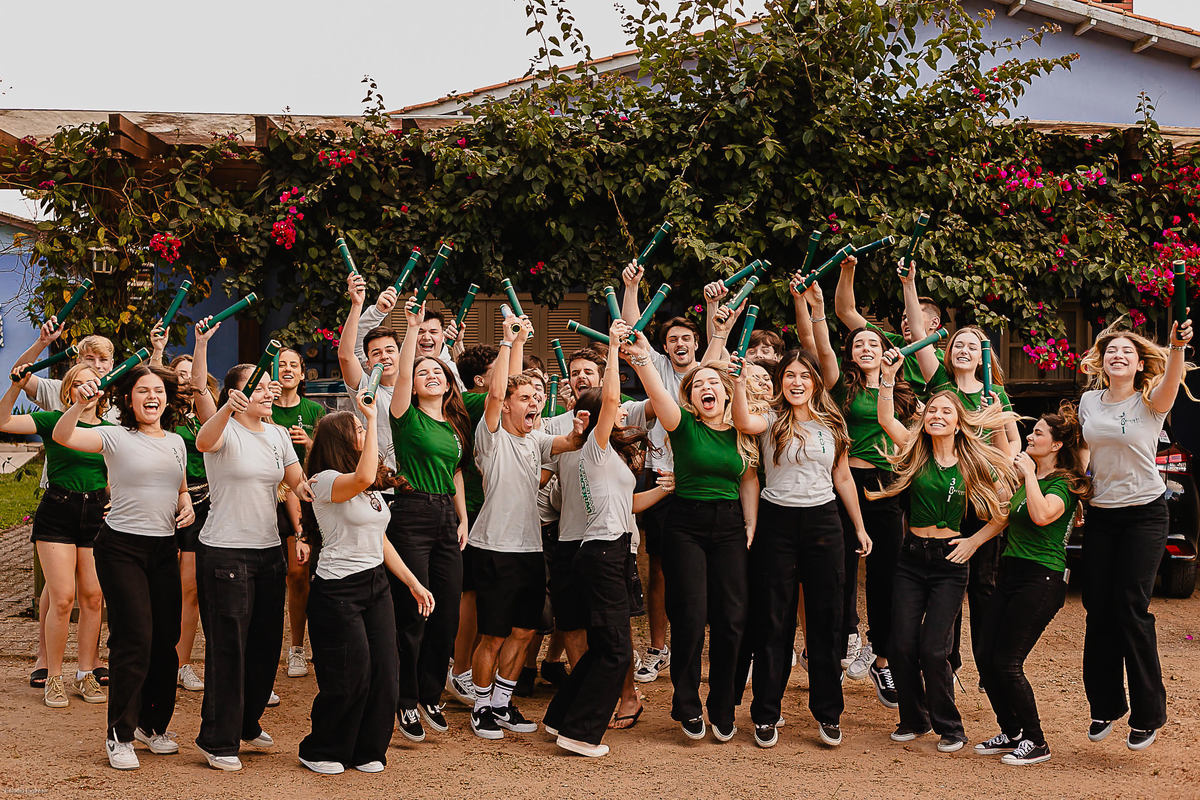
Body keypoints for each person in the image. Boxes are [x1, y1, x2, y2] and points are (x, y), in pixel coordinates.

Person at [871, 349, 1016, 754]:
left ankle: (950, 727)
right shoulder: (914, 452)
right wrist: (887, 376)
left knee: (935, 649)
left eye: (945, 412)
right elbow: (886, 418)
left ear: (958, 422)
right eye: (931, 409)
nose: (936, 415)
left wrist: (974, 541)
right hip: (911, 559)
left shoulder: (974, 460)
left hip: (950, 564)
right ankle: (913, 719)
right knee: (900, 644)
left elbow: (1003, 512)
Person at [731, 342, 873, 749]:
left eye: (804, 376)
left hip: (825, 522)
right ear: (781, 382)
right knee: (773, 621)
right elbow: (742, 419)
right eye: (789, 375)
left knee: (826, 623)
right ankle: (765, 714)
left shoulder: (832, 423)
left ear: (815, 383)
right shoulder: (770, 418)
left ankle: (828, 714)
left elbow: (843, 478)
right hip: (778, 522)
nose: (796, 382)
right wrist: (741, 381)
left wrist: (859, 528)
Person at [52, 364, 193, 770]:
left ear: (167, 398)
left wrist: (184, 503)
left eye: (159, 391)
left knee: (167, 639)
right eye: (143, 390)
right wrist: (79, 405)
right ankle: (120, 734)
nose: (153, 397)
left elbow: (179, 487)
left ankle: (153, 726)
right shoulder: (114, 436)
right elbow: (63, 436)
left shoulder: (176, 442)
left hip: (164, 549)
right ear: (128, 399)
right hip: (121, 549)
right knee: (134, 637)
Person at [542, 320, 670, 757]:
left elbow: (628, 506)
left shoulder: (600, 456)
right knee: (615, 650)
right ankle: (579, 733)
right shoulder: (595, 447)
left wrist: (666, 489)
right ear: (599, 416)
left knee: (602, 648)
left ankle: (560, 717)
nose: (621, 412)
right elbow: (612, 396)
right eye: (613, 410)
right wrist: (614, 348)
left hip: (598, 550)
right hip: (602, 553)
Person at [625, 328, 755, 743]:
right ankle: (686, 701)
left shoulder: (741, 429)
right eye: (698, 384)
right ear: (690, 396)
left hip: (731, 524)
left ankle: (722, 704)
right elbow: (655, 390)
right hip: (687, 524)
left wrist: (750, 523)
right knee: (692, 616)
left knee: (732, 618)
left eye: (713, 382)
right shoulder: (681, 424)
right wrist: (642, 356)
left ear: (727, 391)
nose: (706, 387)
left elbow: (749, 478)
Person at [297, 396, 434, 775]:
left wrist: (412, 583)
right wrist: (373, 419)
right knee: (350, 675)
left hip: (376, 584)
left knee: (386, 674)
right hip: (339, 590)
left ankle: (366, 749)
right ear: (339, 440)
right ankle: (321, 749)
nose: (363, 431)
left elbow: (381, 539)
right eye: (356, 429)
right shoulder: (325, 481)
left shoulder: (370, 490)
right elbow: (361, 476)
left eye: (363, 427)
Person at [466, 312, 586, 740]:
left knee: (525, 629)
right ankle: (481, 706)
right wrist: (508, 342)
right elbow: (497, 391)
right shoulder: (491, 432)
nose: (534, 402)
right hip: (493, 548)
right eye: (526, 396)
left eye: (538, 395)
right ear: (508, 404)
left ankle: (501, 703)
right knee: (493, 635)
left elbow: (568, 443)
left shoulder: (535, 439)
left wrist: (579, 428)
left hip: (531, 550)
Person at [1077, 317, 1194, 751]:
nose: (1118, 355)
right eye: (1111, 351)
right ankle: (1105, 705)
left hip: (1145, 513)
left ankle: (1148, 713)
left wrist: (1177, 346)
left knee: (1131, 605)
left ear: (1138, 361)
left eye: (1127, 350)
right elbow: (1087, 448)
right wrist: (1083, 482)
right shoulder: (1090, 401)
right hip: (1102, 515)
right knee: (1097, 608)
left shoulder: (1152, 400)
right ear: (1102, 362)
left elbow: (1173, 374)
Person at [193, 363, 314, 771]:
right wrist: (225, 409)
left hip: (267, 551)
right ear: (236, 393)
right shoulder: (224, 429)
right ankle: (217, 739)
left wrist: (326, 491)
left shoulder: (279, 434)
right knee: (229, 648)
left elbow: (297, 483)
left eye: (270, 386)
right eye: (258, 386)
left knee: (265, 646)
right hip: (225, 551)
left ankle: (246, 722)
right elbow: (203, 440)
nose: (269, 391)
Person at [974, 404, 1090, 766]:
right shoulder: (1033, 480)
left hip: (1042, 578)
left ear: (1056, 445)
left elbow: (1042, 517)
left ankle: (1037, 742)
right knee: (985, 658)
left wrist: (1027, 475)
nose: (1030, 437)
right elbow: (1007, 515)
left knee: (1008, 662)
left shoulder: (1063, 484)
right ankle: (1011, 732)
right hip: (1010, 573)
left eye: (1038, 433)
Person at [815, 314, 918, 706]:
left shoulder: (903, 393)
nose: (866, 349)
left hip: (886, 485)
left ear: (885, 350)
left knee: (886, 572)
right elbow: (821, 343)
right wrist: (817, 306)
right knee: (838, 566)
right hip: (846, 482)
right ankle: (843, 643)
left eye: (872, 343)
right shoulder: (842, 386)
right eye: (858, 344)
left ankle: (882, 656)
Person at [12, 326, 116, 691]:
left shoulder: (113, 414)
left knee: (93, 594)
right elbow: (20, 379)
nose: (96, 367)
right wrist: (40, 345)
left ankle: (87, 669)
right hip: (58, 500)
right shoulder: (55, 406)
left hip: (97, 507)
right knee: (59, 594)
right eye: (89, 360)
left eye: (103, 361)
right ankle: (48, 664)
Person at [917, 321, 1020, 686]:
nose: (964, 350)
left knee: (984, 584)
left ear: (983, 357)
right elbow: (918, 332)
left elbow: (1013, 447)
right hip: (946, 496)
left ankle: (988, 665)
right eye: (958, 344)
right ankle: (948, 665)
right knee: (948, 583)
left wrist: (995, 423)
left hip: (983, 496)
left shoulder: (997, 394)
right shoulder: (942, 390)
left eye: (973, 346)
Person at [388, 296, 471, 741]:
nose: (430, 374)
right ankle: (404, 700)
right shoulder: (405, 417)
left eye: (437, 370)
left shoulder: (455, 425)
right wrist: (412, 330)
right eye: (423, 372)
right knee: (414, 611)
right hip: (412, 513)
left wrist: (462, 519)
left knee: (448, 614)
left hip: (445, 516)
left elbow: (456, 471)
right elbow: (403, 372)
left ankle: (431, 692)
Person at [621, 261, 698, 684]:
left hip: (702, 478)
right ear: (665, 348)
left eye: (686, 338)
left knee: (703, 569)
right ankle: (657, 648)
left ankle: (697, 648)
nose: (679, 344)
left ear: (696, 343)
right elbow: (635, 329)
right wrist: (632, 288)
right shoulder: (659, 368)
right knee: (661, 568)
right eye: (672, 340)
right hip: (660, 475)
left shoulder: (711, 370)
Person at [446, 345, 499, 707]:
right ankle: (460, 669)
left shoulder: (473, 400)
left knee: (476, 595)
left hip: (482, 509)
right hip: (474, 510)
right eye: (500, 369)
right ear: (480, 380)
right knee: (470, 595)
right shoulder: (476, 399)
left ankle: (464, 667)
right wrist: (515, 341)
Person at [271, 346, 327, 680]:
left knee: (298, 574)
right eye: (281, 365)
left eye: (294, 365)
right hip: (265, 496)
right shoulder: (262, 407)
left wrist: (308, 442)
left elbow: (327, 454)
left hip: (302, 497)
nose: (287, 369)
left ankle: (296, 648)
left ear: (303, 374)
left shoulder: (314, 409)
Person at [339, 273, 402, 470]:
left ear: (401, 356)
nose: (384, 356)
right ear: (367, 363)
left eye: (390, 350)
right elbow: (346, 355)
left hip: (414, 486)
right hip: (376, 481)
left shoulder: (416, 387)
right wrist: (358, 305)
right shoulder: (367, 388)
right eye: (376, 353)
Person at [355, 284, 466, 390]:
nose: (427, 337)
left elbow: (472, 392)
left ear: (443, 336)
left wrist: (458, 345)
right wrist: (377, 312)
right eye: (420, 331)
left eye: (433, 332)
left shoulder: (453, 371)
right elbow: (357, 350)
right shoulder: (392, 369)